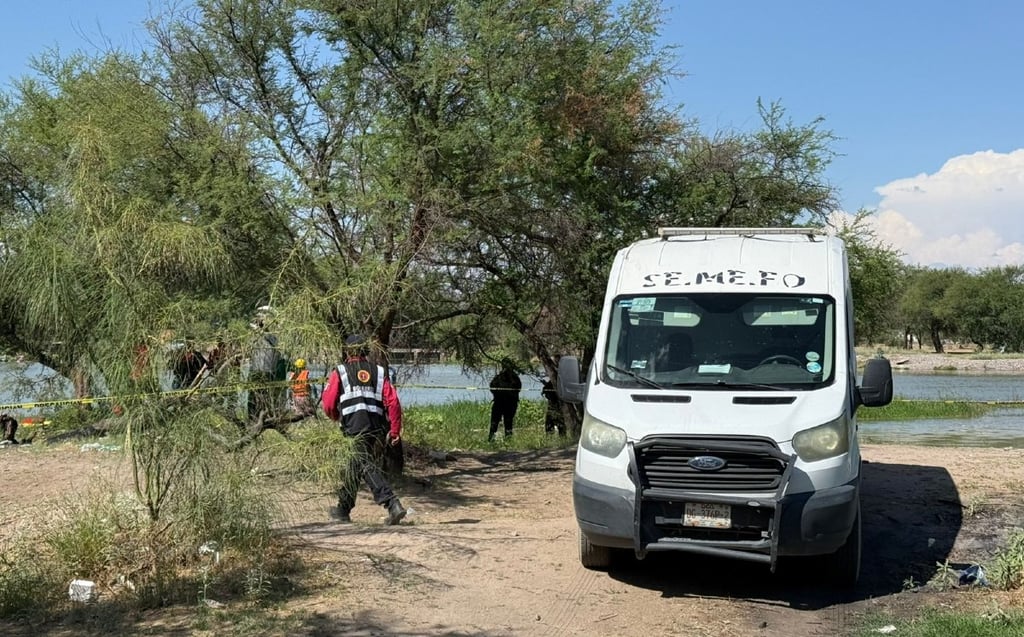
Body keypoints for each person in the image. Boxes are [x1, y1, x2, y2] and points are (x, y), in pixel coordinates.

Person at [321, 334, 407, 525]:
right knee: (356, 464)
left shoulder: (340, 371)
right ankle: (343, 509)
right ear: (365, 350)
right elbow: (393, 402)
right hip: (374, 426)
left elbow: (328, 404)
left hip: (353, 424)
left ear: (348, 351)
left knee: (363, 463)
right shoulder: (378, 372)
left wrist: (335, 416)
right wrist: (394, 430)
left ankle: (392, 503)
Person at [248, 308, 282, 422]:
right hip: (256, 370)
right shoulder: (255, 338)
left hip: (268, 371)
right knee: (254, 395)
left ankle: (267, 417)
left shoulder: (273, 338)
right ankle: (253, 417)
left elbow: (264, 332)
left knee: (267, 396)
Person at [488, 358, 521, 441]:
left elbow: (517, 388)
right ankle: (491, 440)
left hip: (510, 404)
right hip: (499, 403)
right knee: (494, 422)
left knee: (508, 423)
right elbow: (492, 386)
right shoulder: (499, 377)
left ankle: (508, 441)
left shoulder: (514, 378)